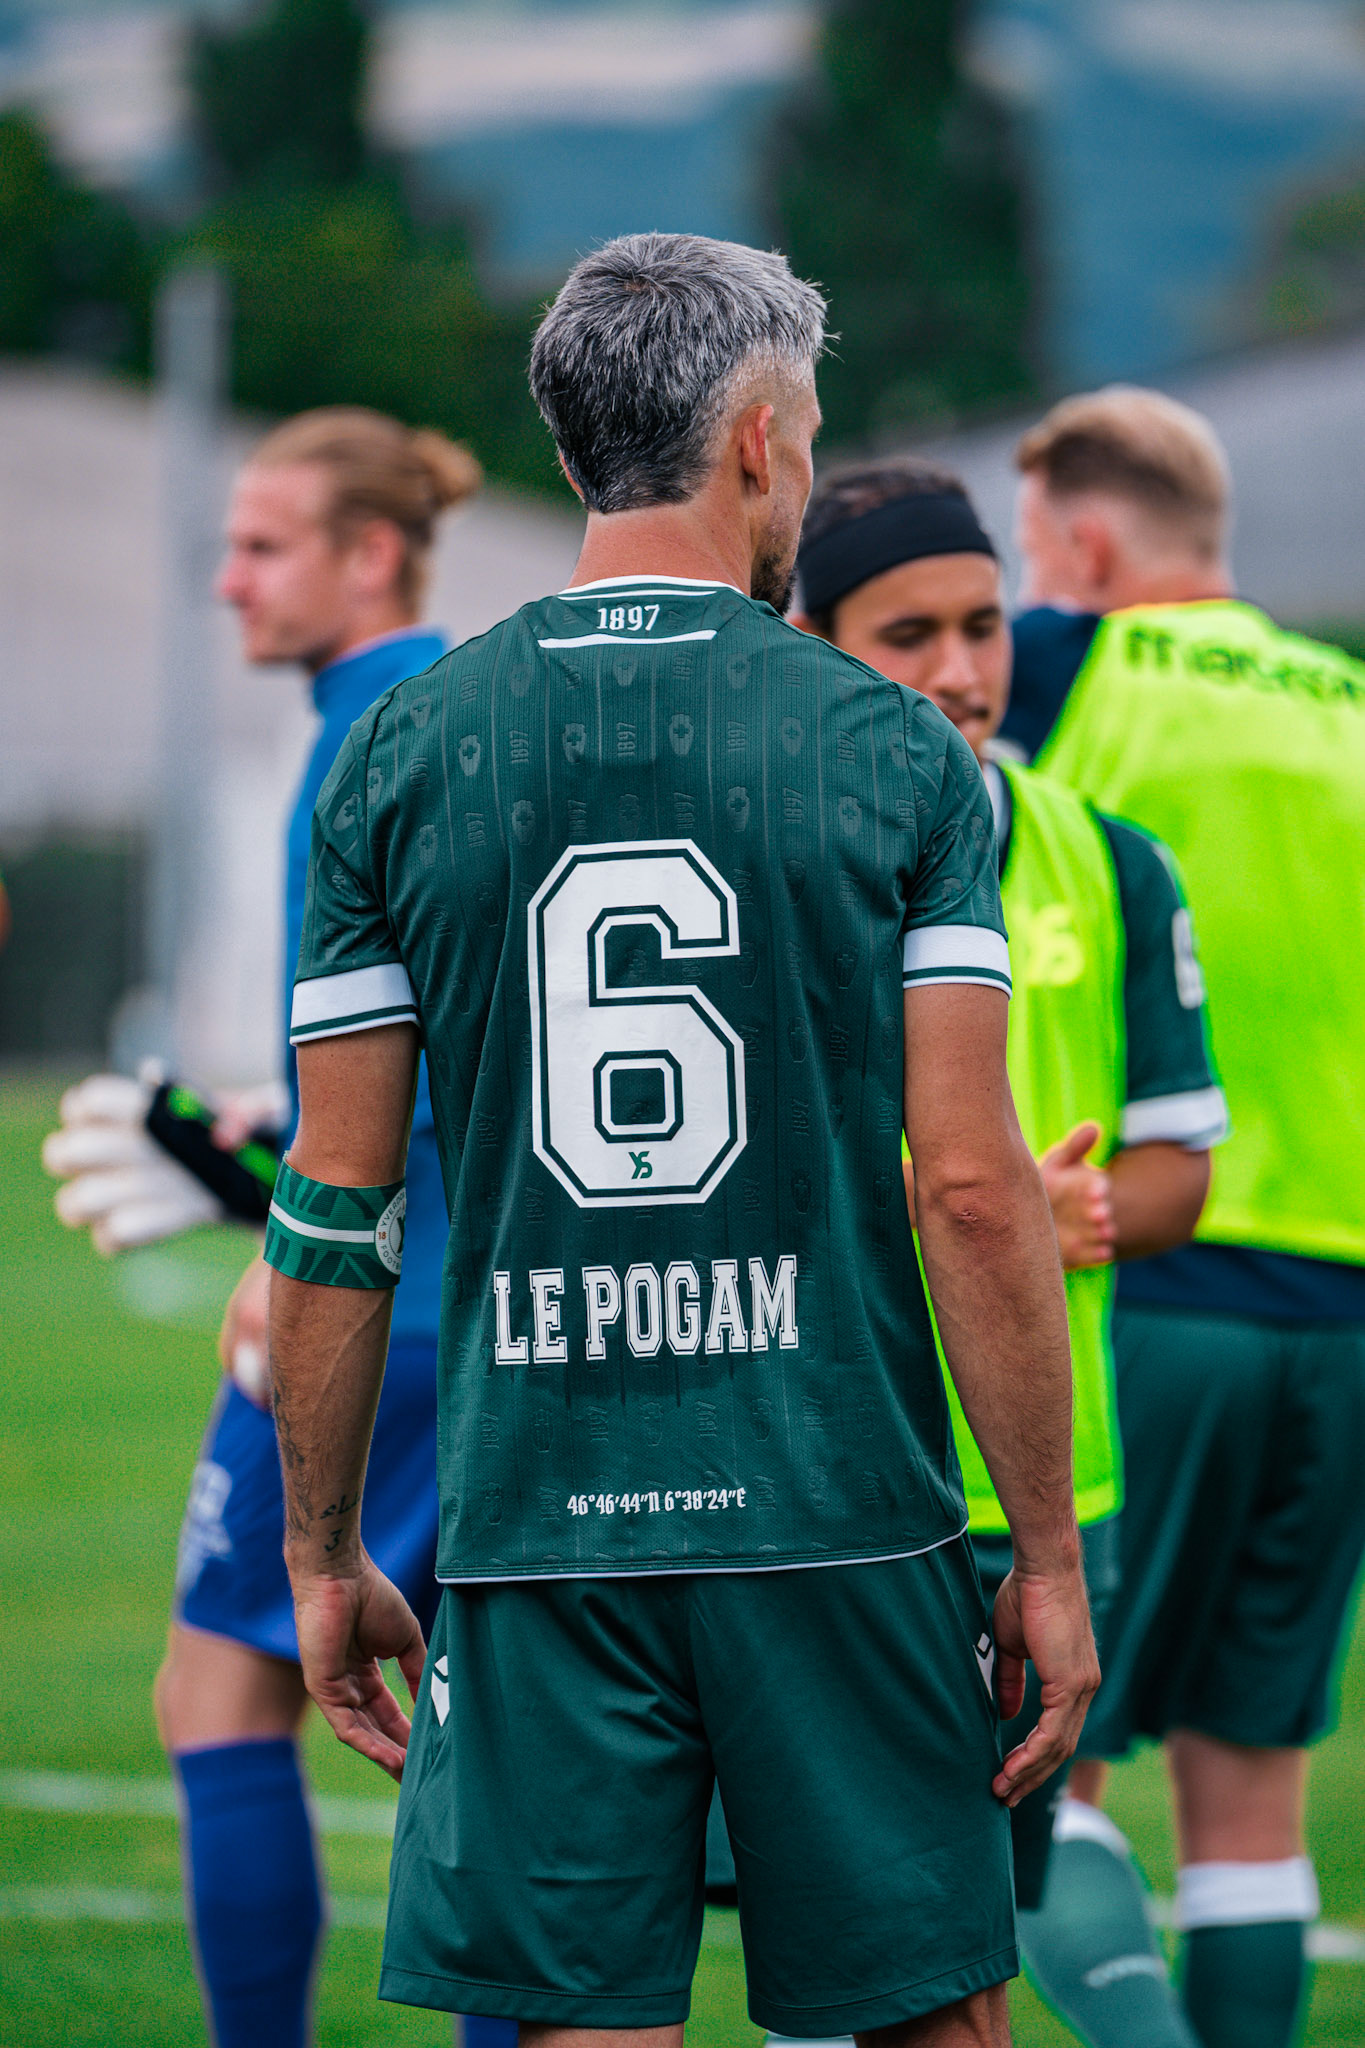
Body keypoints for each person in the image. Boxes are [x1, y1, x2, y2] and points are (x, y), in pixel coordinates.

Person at [263, 231, 1099, 2048]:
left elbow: (333, 1205)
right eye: (800, 430)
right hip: (837, 1510)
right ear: (755, 441)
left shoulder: (397, 755)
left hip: (538, 1516)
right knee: (928, 2017)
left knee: (583, 2028)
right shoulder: (900, 754)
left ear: (577, 451)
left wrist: (321, 1555)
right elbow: (965, 1189)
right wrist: (1040, 1551)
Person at [47, 407, 514, 2048]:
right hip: (505, 1310)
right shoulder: (471, 711)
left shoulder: (362, 731)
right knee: (492, 1746)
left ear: (366, 554)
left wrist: (277, 1212)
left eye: (259, 546)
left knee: (218, 1693)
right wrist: (246, 1145)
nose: (228, 584)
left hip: (374, 1305)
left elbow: (392, 1101)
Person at [777, 456, 1222, 2044]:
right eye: (909, 635)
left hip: (1053, 1474)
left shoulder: (1111, 857)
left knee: (1004, 1878)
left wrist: (1085, 1211)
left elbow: (1177, 1165)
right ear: (807, 638)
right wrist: (963, 1204)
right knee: (865, 1931)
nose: (961, 673)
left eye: (981, 626)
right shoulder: (774, 871)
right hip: (840, 1484)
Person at [1004, 386, 1365, 2048]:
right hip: (1344, 1314)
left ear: (1079, 542)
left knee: (1037, 1771)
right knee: (1251, 1800)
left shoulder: (1068, 669)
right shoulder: (1349, 704)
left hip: (1150, 1278)